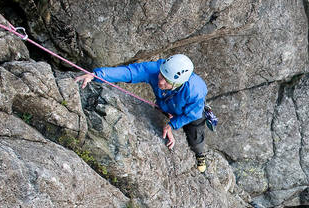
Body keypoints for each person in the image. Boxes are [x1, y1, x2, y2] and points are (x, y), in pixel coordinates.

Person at [75, 54, 209, 172]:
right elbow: (130, 72)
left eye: (167, 81)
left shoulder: (195, 91)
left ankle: (200, 154)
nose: (160, 81)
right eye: (161, 75)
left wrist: (173, 124)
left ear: (178, 83)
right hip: (167, 105)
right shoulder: (157, 69)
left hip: (189, 112)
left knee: (195, 137)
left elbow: (193, 114)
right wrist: (96, 75)